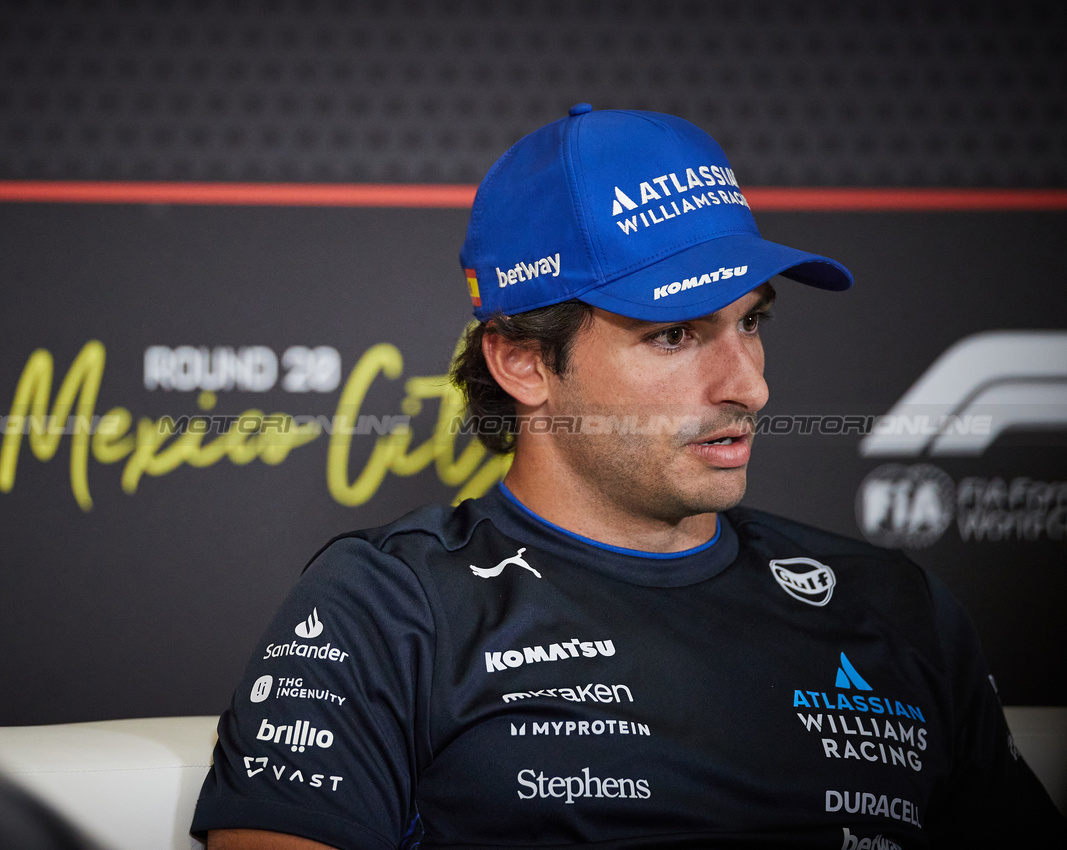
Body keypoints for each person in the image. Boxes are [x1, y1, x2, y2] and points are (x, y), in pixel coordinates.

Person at [191, 106, 1065, 849]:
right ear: (522, 362)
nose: (749, 386)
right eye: (675, 334)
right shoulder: (389, 606)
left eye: (751, 322)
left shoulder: (892, 603)